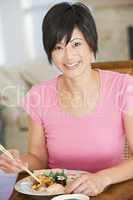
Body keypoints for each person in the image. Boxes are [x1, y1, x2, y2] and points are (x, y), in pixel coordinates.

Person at [0, 1, 133, 196]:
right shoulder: (38, 95)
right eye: (58, 47)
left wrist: (102, 179)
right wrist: (20, 162)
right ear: (50, 52)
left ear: (91, 43)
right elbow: (38, 159)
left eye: (76, 44)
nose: (69, 56)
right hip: (58, 194)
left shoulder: (124, 87)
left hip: (110, 191)